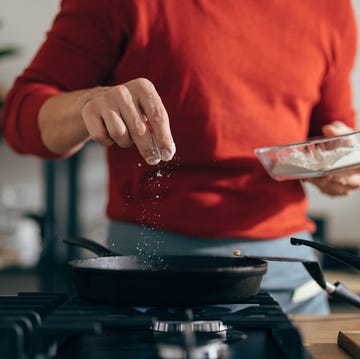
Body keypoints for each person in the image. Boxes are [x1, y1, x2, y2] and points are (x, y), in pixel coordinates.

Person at [2, 0, 360, 314]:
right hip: (146, 270)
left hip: (285, 270)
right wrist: (85, 105)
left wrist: (340, 165)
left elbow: (335, 129)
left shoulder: (329, 6)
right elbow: (20, 118)